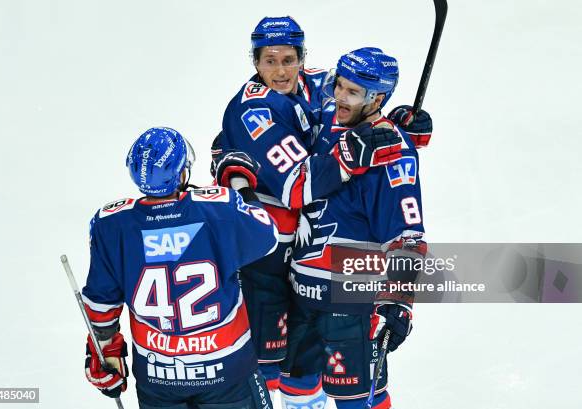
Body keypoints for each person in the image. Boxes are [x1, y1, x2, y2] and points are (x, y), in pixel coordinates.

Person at [211, 16, 404, 394]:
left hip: (307, 253)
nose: (280, 71)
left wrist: (394, 125)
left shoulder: (319, 82)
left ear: (302, 57)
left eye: (288, 59)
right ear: (255, 62)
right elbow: (299, 185)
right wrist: (356, 149)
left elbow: (356, 104)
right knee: (266, 365)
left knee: (304, 363)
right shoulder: (253, 111)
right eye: (269, 61)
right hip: (264, 257)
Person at [81, 127, 280, 409]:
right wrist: (241, 186)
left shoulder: (111, 224)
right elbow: (267, 235)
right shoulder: (219, 209)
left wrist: (103, 348)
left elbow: (102, 304)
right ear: (182, 173)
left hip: (158, 379)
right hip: (227, 372)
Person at [279, 48, 429, 409]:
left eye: (352, 92)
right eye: (339, 86)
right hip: (300, 295)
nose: (339, 98)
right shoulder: (322, 119)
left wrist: (398, 301)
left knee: (358, 399)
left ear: (377, 97)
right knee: (296, 390)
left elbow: (407, 238)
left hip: (352, 303)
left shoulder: (393, 151)